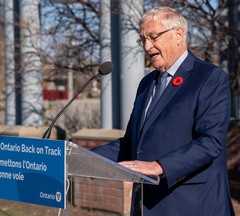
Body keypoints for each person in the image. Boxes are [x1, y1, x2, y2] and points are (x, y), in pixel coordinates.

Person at [91, 6, 235, 216]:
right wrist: (89, 158)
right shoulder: (147, 83)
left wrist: (160, 166)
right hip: (146, 205)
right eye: (143, 39)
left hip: (192, 206)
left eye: (153, 36)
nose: (148, 47)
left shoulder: (209, 78)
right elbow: (132, 142)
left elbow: (211, 142)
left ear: (178, 34)